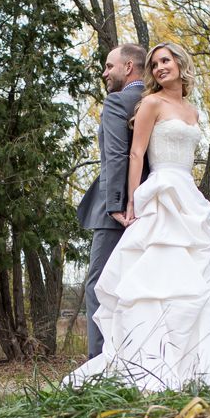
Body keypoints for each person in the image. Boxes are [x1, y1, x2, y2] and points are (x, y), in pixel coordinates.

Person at [66, 41, 210, 391]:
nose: (159, 68)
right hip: (159, 193)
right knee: (153, 281)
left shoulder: (193, 111)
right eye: (155, 64)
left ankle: (198, 365)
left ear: (181, 64)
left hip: (187, 195)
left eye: (166, 61)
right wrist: (129, 203)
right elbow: (134, 153)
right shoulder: (150, 103)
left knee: (197, 281)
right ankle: (146, 362)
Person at [74, 33, 148, 360]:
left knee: (99, 286)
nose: (105, 73)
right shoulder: (159, 103)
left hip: (117, 211)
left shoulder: (119, 102)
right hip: (154, 205)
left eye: (109, 66)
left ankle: (100, 362)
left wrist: (116, 204)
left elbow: (117, 155)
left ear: (128, 67)